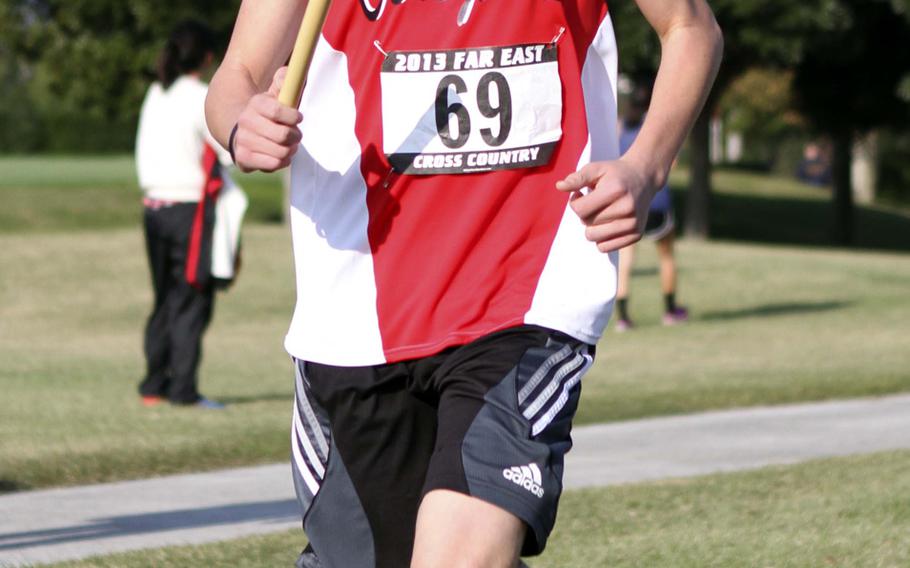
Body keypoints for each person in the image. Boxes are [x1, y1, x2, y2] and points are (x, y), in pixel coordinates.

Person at [206, 1, 722, 566]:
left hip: (526, 296)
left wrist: (646, 166)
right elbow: (238, 79)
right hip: (355, 311)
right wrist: (241, 124)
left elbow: (690, 25)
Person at [136, 20, 245, 410]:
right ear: (209, 57)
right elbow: (228, 152)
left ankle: (153, 384)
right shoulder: (201, 96)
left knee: (165, 297)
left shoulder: (156, 93)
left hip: (153, 209)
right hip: (189, 212)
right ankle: (183, 390)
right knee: (192, 298)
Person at [614, 85, 688, 331]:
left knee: (625, 259)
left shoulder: (620, 129)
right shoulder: (656, 130)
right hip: (657, 199)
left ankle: (623, 317)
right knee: (666, 257)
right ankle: (670, 311)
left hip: (629, 199)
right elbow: (672, 162)